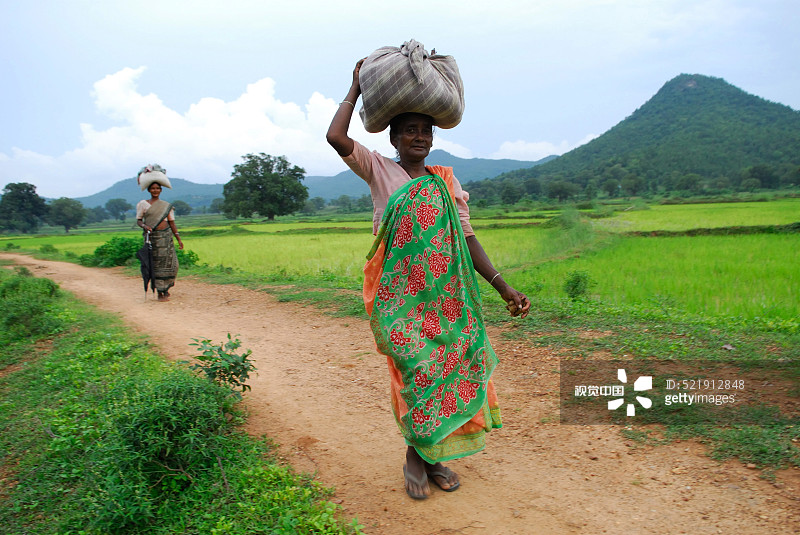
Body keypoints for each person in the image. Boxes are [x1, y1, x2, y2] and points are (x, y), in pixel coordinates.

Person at [326, 59, 531, 500]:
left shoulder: (445, 182)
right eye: (410, 130)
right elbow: (335, 137)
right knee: (416, 373)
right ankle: (418, 457)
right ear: (393, 137)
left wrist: (502, 285)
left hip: (447, 301)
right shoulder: (379, 170)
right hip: (402, 302)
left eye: (426, 130)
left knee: (448, 371)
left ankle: (426, 456)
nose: (419, 137)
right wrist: (355, 87)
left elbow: (467, 239)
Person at [136, 165, 183, 301]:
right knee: (155, 265)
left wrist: (178, 238)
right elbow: (139, 221)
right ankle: (160, 292)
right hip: (153, 239)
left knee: (171, 264)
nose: (155, 190)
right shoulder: (143, 204)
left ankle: (166, 288)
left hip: (166, 238)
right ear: (149, 190)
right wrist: (144, 226)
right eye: (153, 188)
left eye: (157, 188)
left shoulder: (166, 206)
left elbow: (172, 223)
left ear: (161, 190)